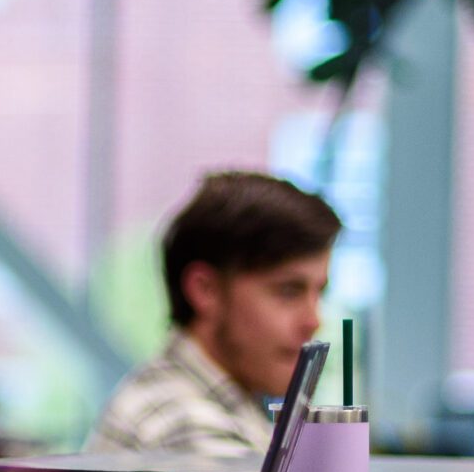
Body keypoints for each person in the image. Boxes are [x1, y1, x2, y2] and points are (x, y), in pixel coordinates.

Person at [88, 170, 339, 456]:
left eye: (320, 293)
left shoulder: (208, 402)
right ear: (205, 290)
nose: (314, 321)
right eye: (288, 291)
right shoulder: (187, 426)